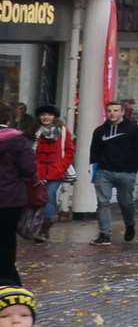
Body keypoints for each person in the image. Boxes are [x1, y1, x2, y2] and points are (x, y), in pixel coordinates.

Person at [87, 101, 138, 246]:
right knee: (103, 202)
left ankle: (130, 224)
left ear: (122, 112)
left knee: (125, 202)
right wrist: (95, 169)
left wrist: (134, 168)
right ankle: (104, 234)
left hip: (126, 172)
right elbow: (94, 151)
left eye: (115, 110)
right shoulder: (100, 131)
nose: (112, 113)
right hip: (104, 171)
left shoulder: (134, 129)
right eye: (109, 110)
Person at [28, 108, 72, 242]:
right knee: (36, 199)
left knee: (49, 197)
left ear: (54, 116)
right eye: (42, 114)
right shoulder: (33, 131)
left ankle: (44, 229)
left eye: (49, 114)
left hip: (55, 171)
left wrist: (61, 166)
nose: (45, 117)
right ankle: (36, 226)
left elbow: (69, 150)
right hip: (37, 171)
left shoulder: (62, 131)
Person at [0, 127, 34, 285]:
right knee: (7, 240)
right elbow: (28, 169)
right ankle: (7, 278)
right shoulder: (18, 140)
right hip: (10, 198)